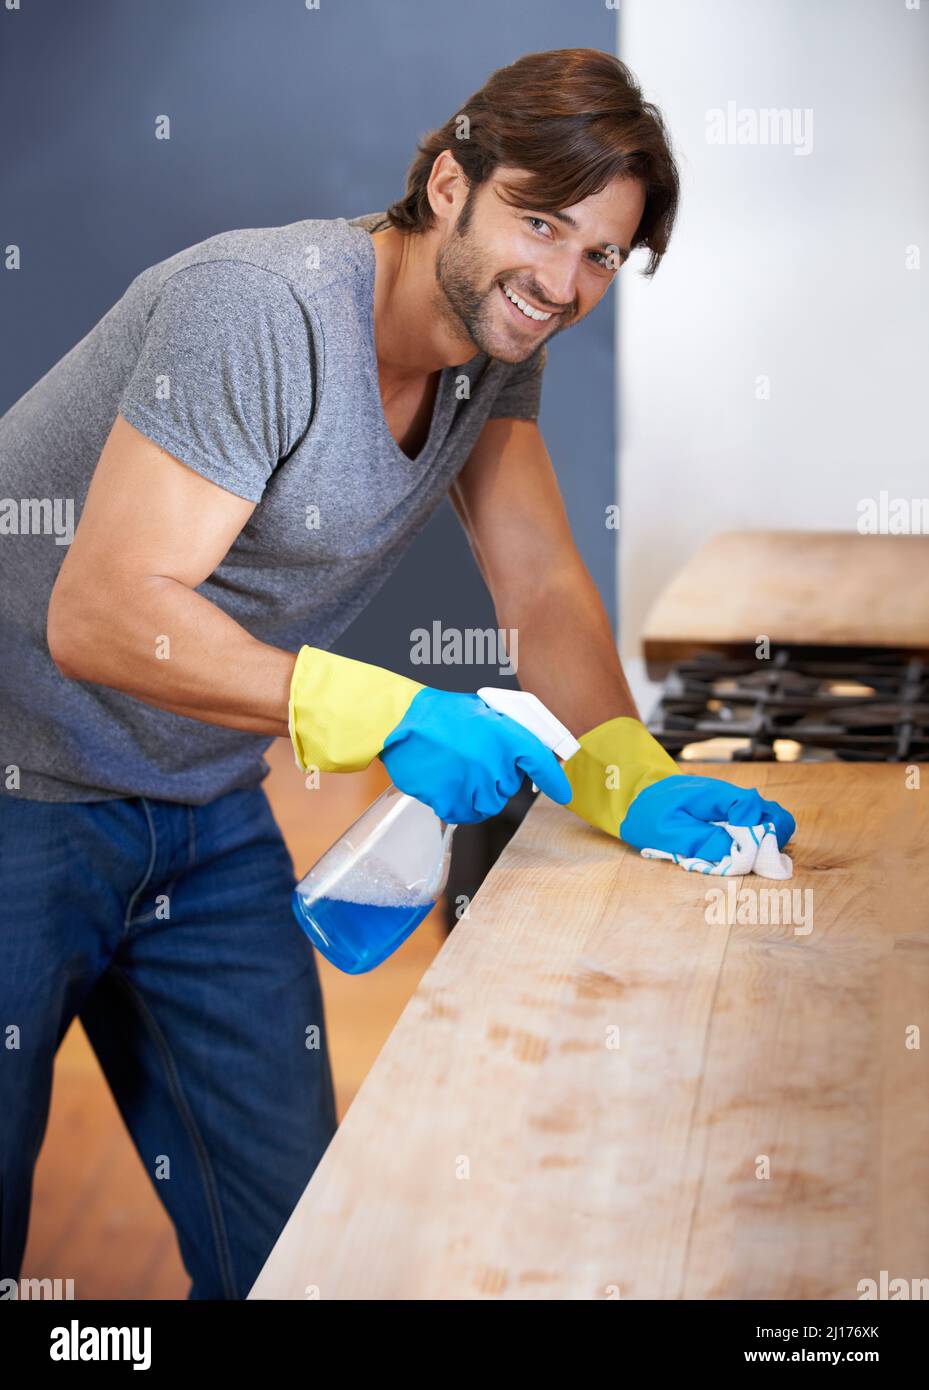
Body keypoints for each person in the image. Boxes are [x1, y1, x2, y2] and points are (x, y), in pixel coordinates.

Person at [0, 47, 794, 1298]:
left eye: (600, 252)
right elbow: (99, 614)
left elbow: (534, 582)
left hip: (197, 802)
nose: (563, 281)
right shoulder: (257, 308)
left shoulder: (494, 340)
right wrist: (381, 708)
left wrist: (626, 771)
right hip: (18, 789)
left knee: (297, 1251)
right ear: (445, 186)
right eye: (541, 222)